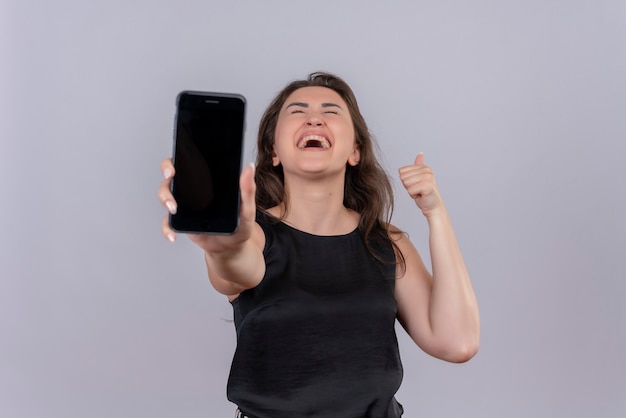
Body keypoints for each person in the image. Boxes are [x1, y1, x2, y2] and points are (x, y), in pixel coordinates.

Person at [158, 72, 480, 418]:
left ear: (355, 150)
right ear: (274, 151)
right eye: (297, 111)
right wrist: (222, 245)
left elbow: (456, 342)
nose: (314, 117)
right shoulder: (254, 234)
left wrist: (436, 212)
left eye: (331, 111)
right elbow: (235, 266)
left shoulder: (386, 242)